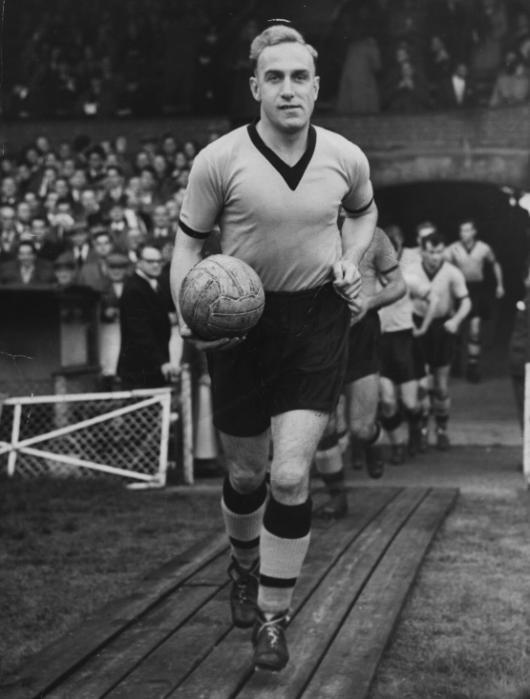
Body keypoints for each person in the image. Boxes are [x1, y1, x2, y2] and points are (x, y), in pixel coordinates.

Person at [170, 22, 377, 672]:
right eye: (275, 78)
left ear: (317, 87)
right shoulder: (219, 160)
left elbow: (365, 212)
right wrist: (189, 313)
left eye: (300, 78)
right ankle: (240, 564)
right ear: (255, 86)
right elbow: (186, 244)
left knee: (290, 476)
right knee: (245, 475)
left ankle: (271, 616)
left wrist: (352, 256)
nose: (288, 89)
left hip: (315, 319)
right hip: (240, 326)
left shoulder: (346, 155)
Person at [314, 226, 406, 517]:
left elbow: (398, 285)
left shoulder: (375, 235)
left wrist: (369, 302)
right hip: (318, 336)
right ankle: (336, 497)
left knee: (361, 428)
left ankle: (370, 442)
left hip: (362, 333)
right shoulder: (305, 228)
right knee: (324, 427)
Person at [378, 225, 436, 463]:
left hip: (404, 341)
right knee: (388, 402)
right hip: (381, 343)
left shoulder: (407, 278)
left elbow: (433, 298)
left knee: (411, 403)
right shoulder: (368, 279)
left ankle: (415, 428)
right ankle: (397, 445)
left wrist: (423, 327)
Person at [411, 231, 471, 449]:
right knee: (420, 385)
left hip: (443, 328)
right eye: (430, 252)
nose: (434, 257)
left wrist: (456, 320)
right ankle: (422, 429)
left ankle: (442, 429)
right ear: (422, 251)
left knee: (441, 386)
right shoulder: (411, 270)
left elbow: (466, 302)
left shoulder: (452, 272)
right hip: (418, 327)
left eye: (438, 252)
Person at [444, 218, 504, 382]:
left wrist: (500, 285)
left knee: (475, 328)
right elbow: (444, 268)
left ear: (474, 231)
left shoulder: (483, 248)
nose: (465, 233)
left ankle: (472, 368)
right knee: (456, 329)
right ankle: (456, 362)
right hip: (459, 289)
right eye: (462, 230)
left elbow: (495, 264)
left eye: (468, 230)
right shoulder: (453, 248)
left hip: (477, 290)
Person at [117, 243, 178, 390]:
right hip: (139, 369)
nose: (156, 265)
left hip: (153, 367)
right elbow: (140, 332)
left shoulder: (156, 284)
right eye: (150, 262)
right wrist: (161, 362)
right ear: (138, 262)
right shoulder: (134, 289)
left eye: (159, 261)